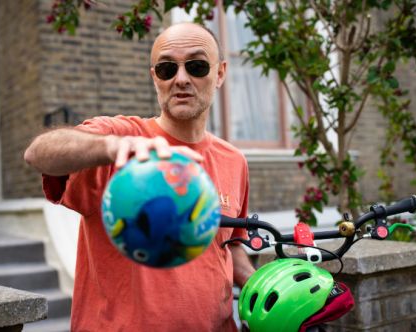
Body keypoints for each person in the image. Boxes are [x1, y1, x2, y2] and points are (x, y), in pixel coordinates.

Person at [24, 22, 255, 331]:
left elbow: (230, 246)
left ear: (220, 73)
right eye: (167, 68)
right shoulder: (121, 138)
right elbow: (39, 152)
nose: (181, 79)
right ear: (154, 77)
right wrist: (112, 146)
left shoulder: (234, 160)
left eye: (197, 66)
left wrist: (268, 289)